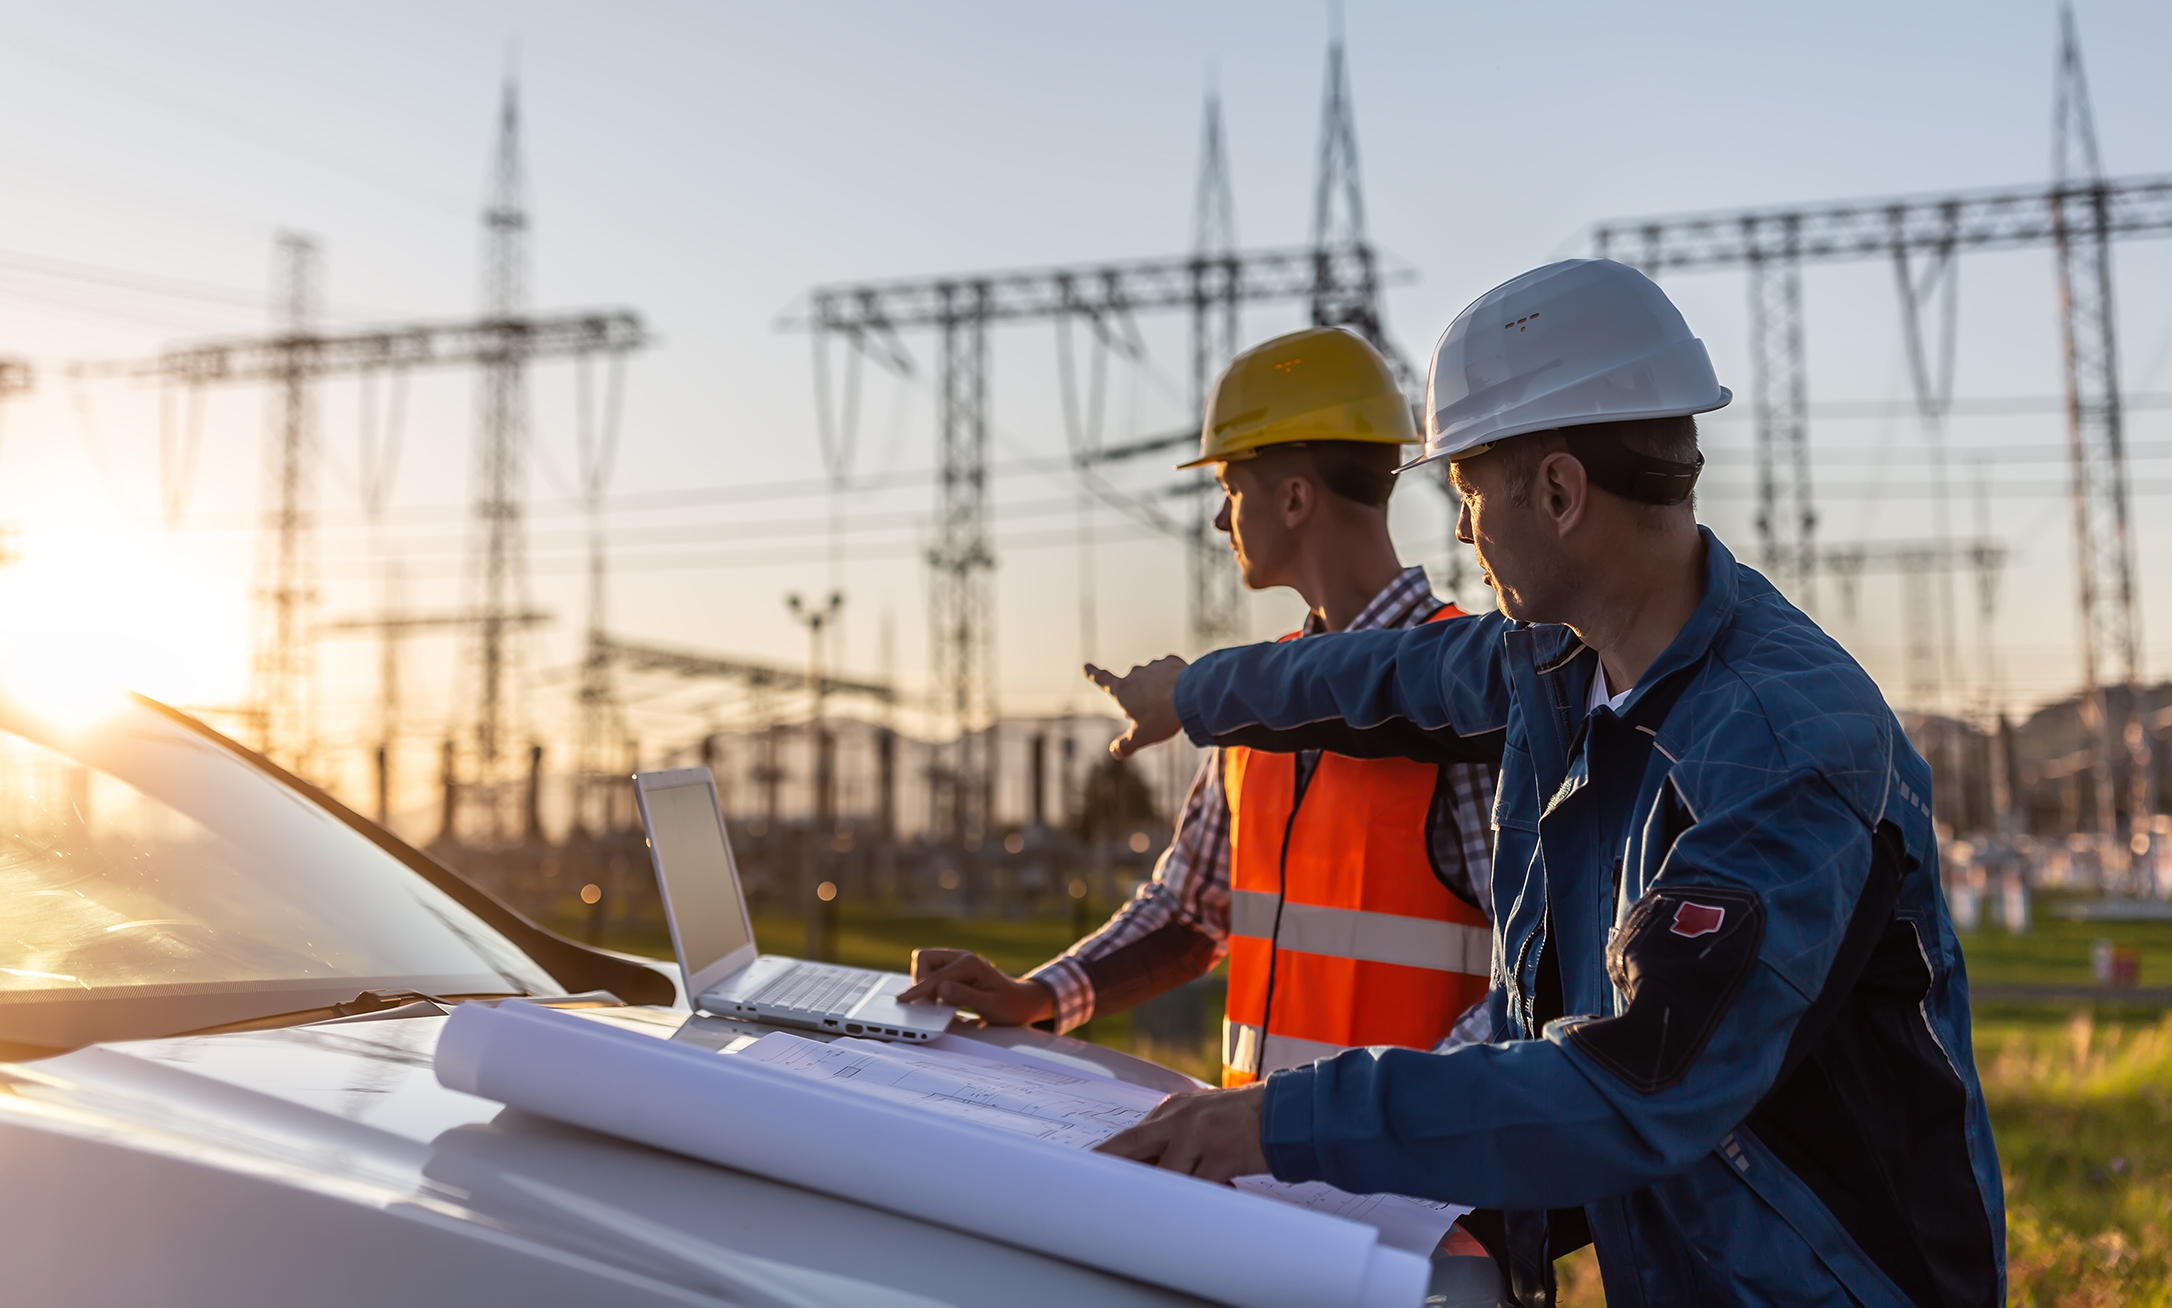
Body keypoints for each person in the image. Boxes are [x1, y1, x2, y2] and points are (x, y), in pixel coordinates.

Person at [1086, 260, 2004, 1308]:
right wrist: (1193, 695)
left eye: (1468, 491)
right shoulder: (1559, 665)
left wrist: (1271, 1122)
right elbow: (1372, 674)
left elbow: (1632, 1083)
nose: (1463, 531)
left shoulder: (1783, 748)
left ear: (1561, 492)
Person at [901, 326, 1498, 1088]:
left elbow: (1529, 979)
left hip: (1410, 1191)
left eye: (1229, 489)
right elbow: (1189, 911)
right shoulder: (1252, 702)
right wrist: (1038, 995)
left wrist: (1399, 1133)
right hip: (1262, 1172)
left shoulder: (1464, 705)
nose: (1220, 522)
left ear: (1292, 499)